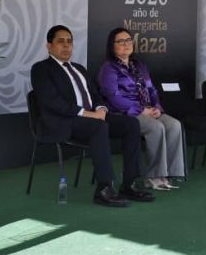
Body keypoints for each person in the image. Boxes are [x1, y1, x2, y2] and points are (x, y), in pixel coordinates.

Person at [31, 25, 153, 206]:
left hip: (91, 118)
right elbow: (52, 101)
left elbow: (95, 95)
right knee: (98, 127)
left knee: (131, 124)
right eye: (60, 41)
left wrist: (101, 109)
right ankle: (104, 189)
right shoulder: (41, 69)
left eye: (69, 42)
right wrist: (87, 113)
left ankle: (130, 183)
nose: (66, 46)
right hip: (63, 121)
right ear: (49, 46)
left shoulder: (79, 68)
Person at [98, 27, 185, 190]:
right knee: (156, 127)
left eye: (128, 40)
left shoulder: (139, 65)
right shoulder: (108, 68)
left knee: (174, 125)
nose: (126, 44)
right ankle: (154, 176)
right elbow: (113, 97)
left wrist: (157, 107)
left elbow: (152, 90)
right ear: (112, 46)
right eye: (121, 41)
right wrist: (140, 110)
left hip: (148, 109)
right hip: (125, 113)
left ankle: (171, 173)